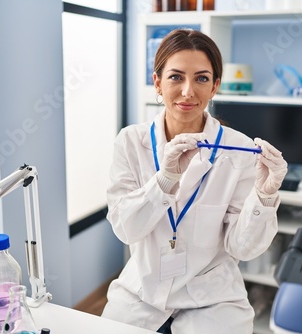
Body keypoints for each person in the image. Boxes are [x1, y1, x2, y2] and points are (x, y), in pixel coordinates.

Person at [101, 28, 288, 333]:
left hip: (212, 300)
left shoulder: (238, 151)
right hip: (142, 293)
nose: (188, 91)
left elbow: (242, 248)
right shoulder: (131, 142)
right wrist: (165, 180)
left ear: (214, 86)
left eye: (201, 78)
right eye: (176, 77)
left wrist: (264, 197)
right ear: (157, 83)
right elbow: (126, 228)